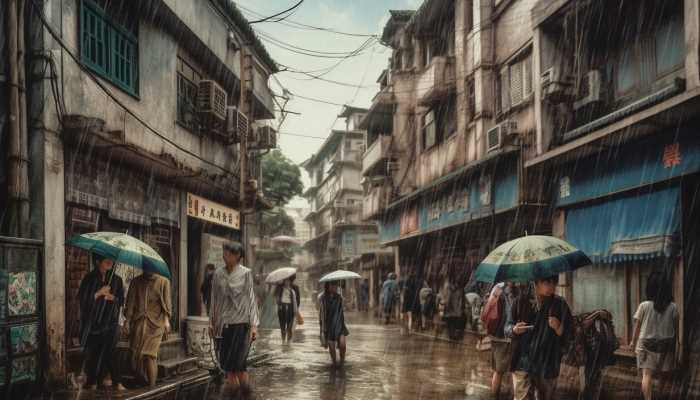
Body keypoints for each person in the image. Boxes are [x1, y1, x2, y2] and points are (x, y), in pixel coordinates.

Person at [508, 276, 572, 400]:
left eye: (554, 283)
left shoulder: (560, 304)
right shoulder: (520, 302)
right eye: (547, 282)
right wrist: (514, 329)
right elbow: (508, 326)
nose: (551, 287)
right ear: (536, 282)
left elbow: (570, 334)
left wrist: (559, 328)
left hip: (547, 362)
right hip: (523, 361)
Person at [209, 242, 259, 396]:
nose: (225, 256)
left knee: (239, 366)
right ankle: (236, 395)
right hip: (224, 326)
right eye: (225, 252)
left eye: (229, 253)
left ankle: (246, 396)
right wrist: (212, 323)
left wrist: (254, 326)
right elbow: (214, 300)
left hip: (242, 325)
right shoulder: (218, 274)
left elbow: (251, 299)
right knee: (229, 367)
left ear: (237, 256)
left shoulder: (245, 273)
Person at [78, 254, 125, 391]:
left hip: (111, 322)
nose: (110, 262)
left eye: (111, 260)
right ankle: (93, 382)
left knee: (111, 351)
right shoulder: (89, 278)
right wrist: (98, 293)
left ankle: (117, 382)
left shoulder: (117, 280)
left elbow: (121, 300)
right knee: (94, 352)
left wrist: (113, 298)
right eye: (106, 260)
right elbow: (83, 300)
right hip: (94, 323)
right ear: (98, 261)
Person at [630, 272, 679, 400]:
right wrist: (677, 346)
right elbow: (676, 329)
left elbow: (637, 328)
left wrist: (632, 343)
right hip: (666, 345)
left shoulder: (644, 306)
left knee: (647, 375)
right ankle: (660, 396)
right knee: (662, 375)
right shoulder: (673, 307)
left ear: (650, 287)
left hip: (646, 344)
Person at [124, 270, 172, 387]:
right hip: (139, 324)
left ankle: (152, 387)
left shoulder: (163, 282)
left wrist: (166, 321)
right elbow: (130, 303)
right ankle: (142, 382)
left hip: (156, 325)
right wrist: (127, 321)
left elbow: (167, 304)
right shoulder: (135, 282)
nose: (148, 268)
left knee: (150, 355)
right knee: (136, 355)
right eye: (145, 265)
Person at [485, 282, 517, 400]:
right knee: (515, 371)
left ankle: (494, 397)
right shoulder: (511, 291)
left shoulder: (496, 287)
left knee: (497, 371)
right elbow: (511, 315)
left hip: (495, 334)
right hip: (506, 336)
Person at [319, 281, 349, 368]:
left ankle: (342, 362)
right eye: (332, 285)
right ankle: (334, 364)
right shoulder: (323, 299)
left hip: (340, 325)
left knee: (343, 344)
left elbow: (346, 307)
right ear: (328, 286)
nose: (334, 287)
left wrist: (345, 302)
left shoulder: (340, 298)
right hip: (328, 326)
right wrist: (322, 331)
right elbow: (321, 315)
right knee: (331, 348)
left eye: (335, 285)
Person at [274, 275, 301, 342]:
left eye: (288, 281)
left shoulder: (293, 291)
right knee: (282, 326)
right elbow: (276, 298)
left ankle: (288, 342)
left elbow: (295, 301)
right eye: (285, 280)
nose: (287, 282)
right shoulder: (280, 289)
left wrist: (296, 311)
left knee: (289, 327)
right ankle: (283, 341)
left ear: (290, 281)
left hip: (290, 309)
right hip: (281, 309)